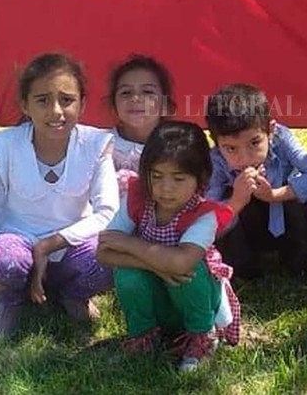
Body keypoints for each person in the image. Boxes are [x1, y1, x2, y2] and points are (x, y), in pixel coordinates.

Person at [0, 53, 119, 338]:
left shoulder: (96, 145)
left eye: (67, 100)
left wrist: (49, 245)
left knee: (108, 254)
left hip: (73, 244)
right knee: (2, 261)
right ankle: (11, 301)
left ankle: (74, 295)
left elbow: (107, 212)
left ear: (82, 104)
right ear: (25, 105)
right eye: (43, 100)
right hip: (18, 241)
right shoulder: (4, 147)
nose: (56, 111)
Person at [98, 121, 240, 372]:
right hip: (161, 297)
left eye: (178, 178)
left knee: (190, 271)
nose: (166, 188)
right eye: (156, 176)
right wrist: (157, 267)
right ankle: (144, 336)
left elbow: (181, 262)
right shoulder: (138, 199)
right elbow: (104, 251)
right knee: (127, 274)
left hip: (195, 299)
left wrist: (130, 243)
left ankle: (201, 336)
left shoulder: (202, 215)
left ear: (201, 179)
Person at [205, 84, 307, 279]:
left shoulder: (281, 139)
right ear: (216, 143)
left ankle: (300, 263)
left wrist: (274, 195)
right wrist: (236, 202)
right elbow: (206, 218)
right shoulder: (216, 160)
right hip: (248, 225)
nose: (245, 157)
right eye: (231, 148)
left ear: (271, 130)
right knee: (226, 211)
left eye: (254, 143)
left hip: (286, 218)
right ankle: (246, 270)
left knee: (296, 197)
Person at [106, 55, 176, 200]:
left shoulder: (179, 149)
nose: (136, 98)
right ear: (113, 105)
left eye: (147, 92)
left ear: (165, 105)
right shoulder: (99, 145)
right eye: (126, 93)